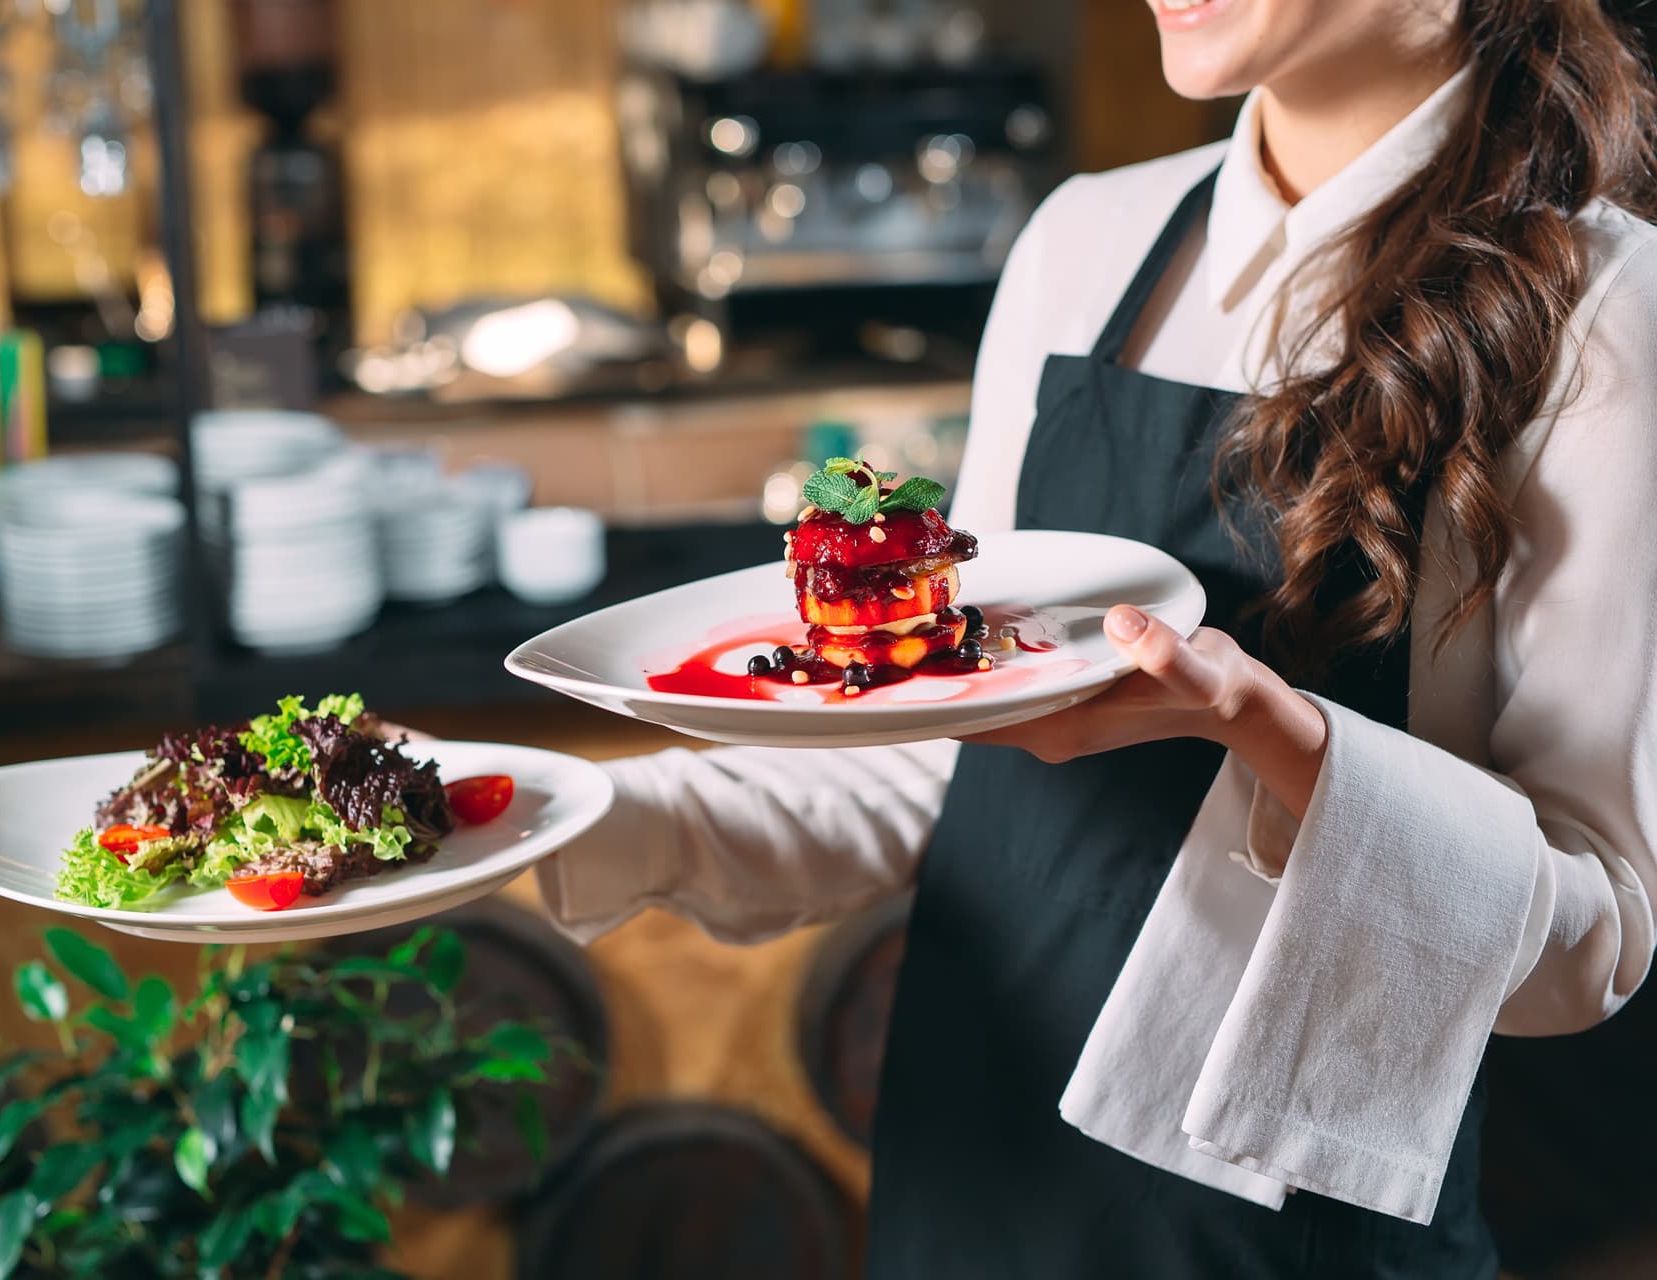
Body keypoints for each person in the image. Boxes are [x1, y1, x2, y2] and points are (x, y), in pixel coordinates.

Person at [535, 0, 1657, 1275]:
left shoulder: (1605, 312)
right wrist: (558, 813)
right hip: (977, 1161)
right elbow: (939, 753)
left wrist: (1271, 729)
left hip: (1288, 1224)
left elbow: (1589, 945)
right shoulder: (1086, 242)